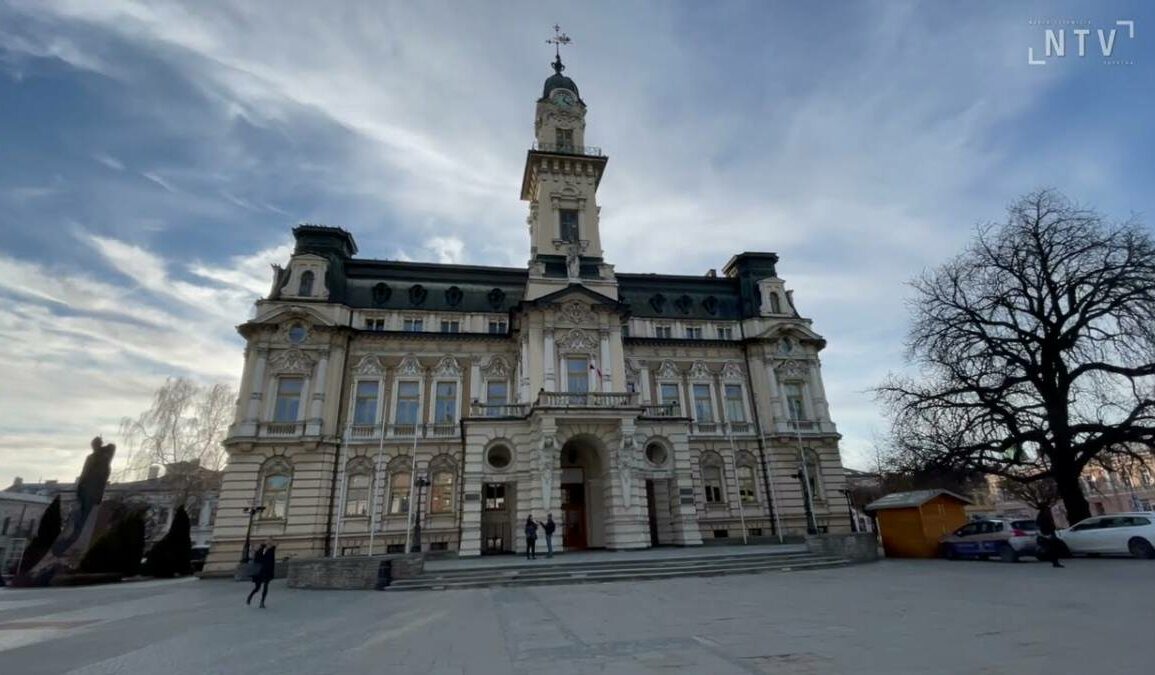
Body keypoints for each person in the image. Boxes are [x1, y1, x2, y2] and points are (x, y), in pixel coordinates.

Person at [246, 539, 277, 607]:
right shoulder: (265, 552)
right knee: (260, 587)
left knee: (260, 587)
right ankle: (259, 601)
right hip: (263, 572)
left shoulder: (264, 552)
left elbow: (274, 545)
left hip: (263, 572)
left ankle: (256, 599)